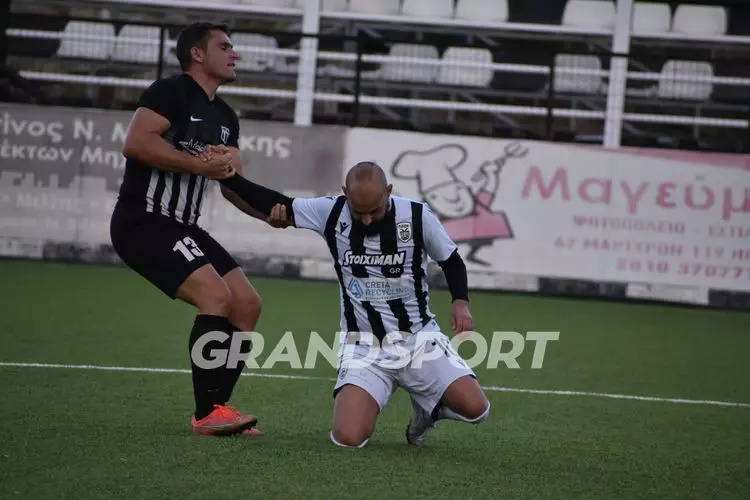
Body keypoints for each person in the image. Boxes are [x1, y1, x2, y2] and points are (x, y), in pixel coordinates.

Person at [214, 159, 491, 447]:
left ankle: (426, 411)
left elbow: (452, 261)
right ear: (345, 194)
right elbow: (278, 203)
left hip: (418, 339)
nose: (367, 220)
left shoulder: (417, 215)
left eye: (375, 211)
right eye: (359, 212)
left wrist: (460, 302)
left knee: (477, 410)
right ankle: (412, 401)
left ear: (389, 191)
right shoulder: (331, 211)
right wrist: (228, 177)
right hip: (363, 346)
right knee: (347, 438)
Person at [110, 22, 277, 437]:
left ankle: (218, 408)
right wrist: (199, 165)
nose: (235, 54)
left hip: (184, 225)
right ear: (198, 54)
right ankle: (207, 415)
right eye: (226, 46)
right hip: (144, 220)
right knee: (216, 296)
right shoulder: (169, 92)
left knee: (247, 305)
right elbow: (136, 144)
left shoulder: (226, 116)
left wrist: (276, 213)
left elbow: (233, 183)